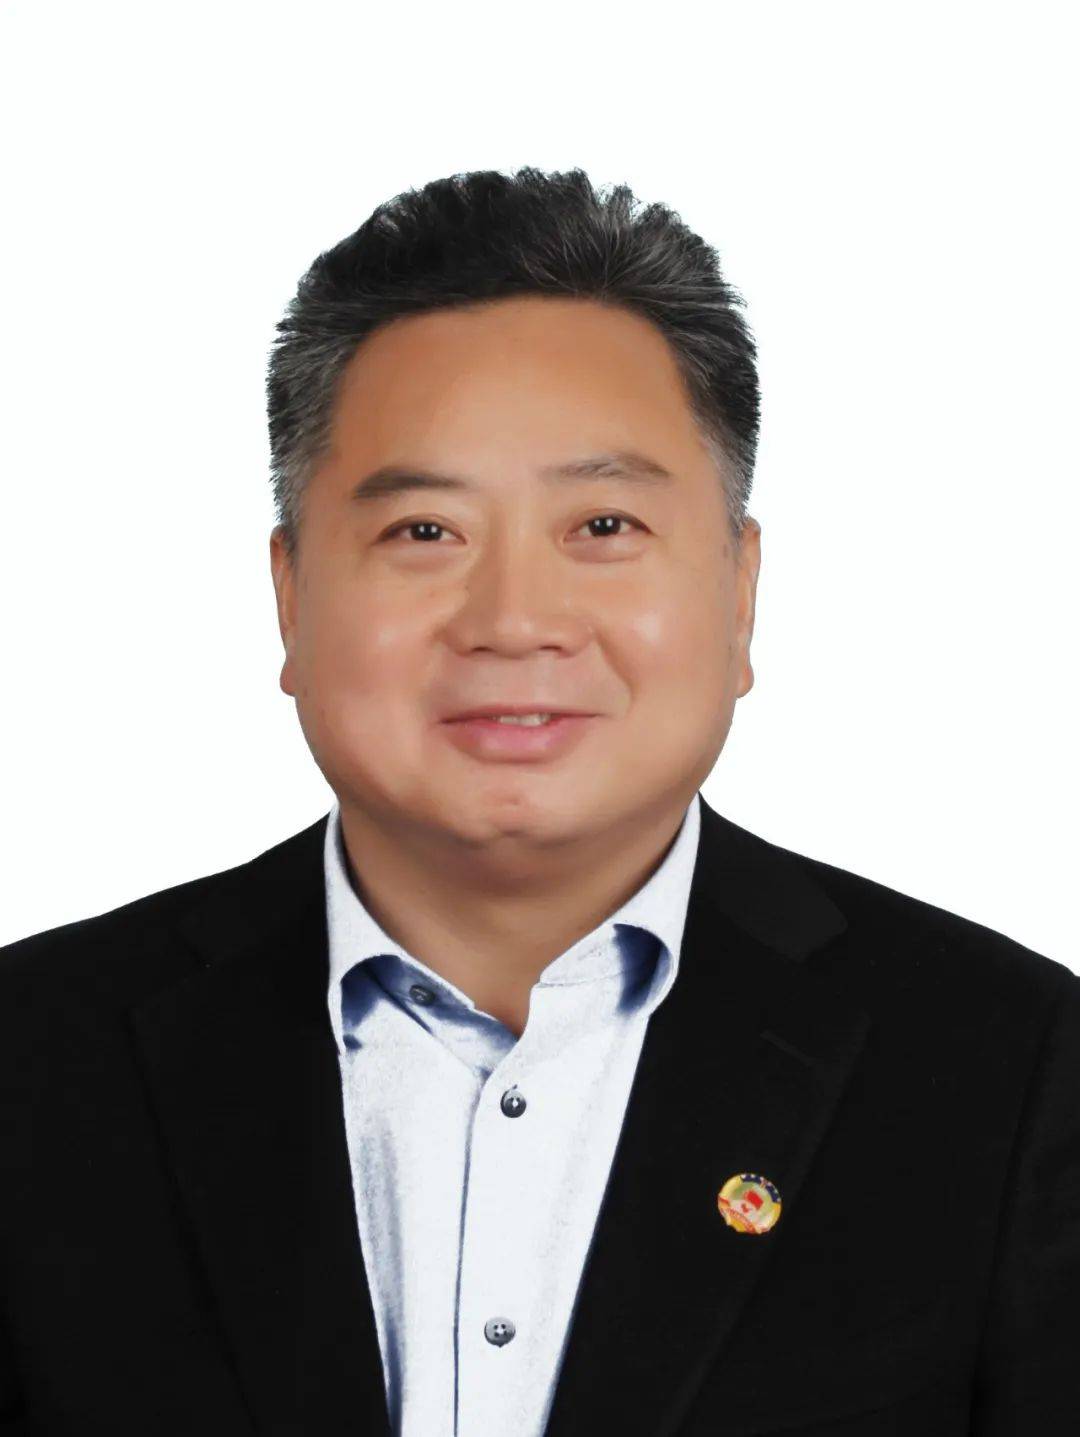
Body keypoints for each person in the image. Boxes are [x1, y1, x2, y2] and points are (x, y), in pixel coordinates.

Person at [0, 166, 1076, 1436]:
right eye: (424, 533)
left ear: (740, 591)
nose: (514, 621)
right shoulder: (33, 1059)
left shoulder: (1014, 1071)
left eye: (603, 525)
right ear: (290, 597)